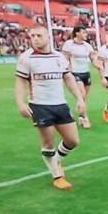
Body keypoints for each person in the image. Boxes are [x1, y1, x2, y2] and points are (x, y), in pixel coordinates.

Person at [15, 26, 86, 191]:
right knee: (48, 142)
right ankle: (57, 176)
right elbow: (20, 82)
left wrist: (79, 99)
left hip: (60, 104)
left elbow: (68, 78)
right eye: (32, 36)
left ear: (48, 37)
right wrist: (20, 103)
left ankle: (56, 160)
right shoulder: (26, 58)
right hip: (40, 106)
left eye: (38, 35)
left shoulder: (59, 57)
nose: (35, 39)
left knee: (73, 140)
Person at [61, 26, 99, 129]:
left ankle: (78, 115)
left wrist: (99, 66)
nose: (86, 35)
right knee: (81, 95)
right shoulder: (69, 44)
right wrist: (66, 72)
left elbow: (93, 59)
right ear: (77, 33)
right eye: (83, 33)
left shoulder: (87, 46)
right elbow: (65, 59)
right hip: (75, 73)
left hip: (86, 73)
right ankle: (84, 118)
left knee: (84, 98)